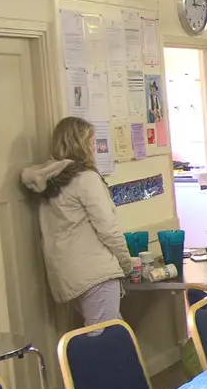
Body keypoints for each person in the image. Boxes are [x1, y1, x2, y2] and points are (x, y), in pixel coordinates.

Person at [21, 116, 133, 325]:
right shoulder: (85, 179)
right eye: (91, 142)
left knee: (113, 331)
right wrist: (126, 264)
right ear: (80, 144)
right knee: (105, 338)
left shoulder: (50, 181)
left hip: (68, 273)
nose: (94, 148)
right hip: (95, 271)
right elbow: (108, 229)